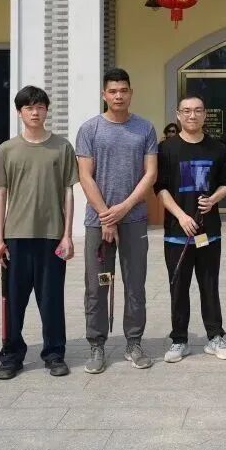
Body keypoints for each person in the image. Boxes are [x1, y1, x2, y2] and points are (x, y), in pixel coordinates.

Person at [0, 86, 78, 379]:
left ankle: (54, 354)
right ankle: (11, 355)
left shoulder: (62, 147)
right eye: (29, 107)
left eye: (40, 107)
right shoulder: (7, 150)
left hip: (51, 235)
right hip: (16, 236)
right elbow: (1, 194)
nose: (35, 112)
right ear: (19, 112)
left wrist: (67, 234)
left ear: (47, 110)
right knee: (13, 300)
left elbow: (68, 192)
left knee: (51, 299)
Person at [77, 68, 158, 373]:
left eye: (123, 90)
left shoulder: (145, 128)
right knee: (97, 285)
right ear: (104, 94)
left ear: (131, 93)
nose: (118, 96)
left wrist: (123, 208)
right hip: (98, 222)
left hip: (134, 218)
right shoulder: (90, 129)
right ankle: (96, 345)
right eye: (112, 91)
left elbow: (150, 174)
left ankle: (133, 343)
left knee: (135, 284)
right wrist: (106, 216)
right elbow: (85, 176)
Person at [155, 94, 226, 363]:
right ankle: (179, 340)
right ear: (178, 115)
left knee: (209, 284)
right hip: (177, 233)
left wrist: (213, 199)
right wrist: (180, 216)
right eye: (187, 111)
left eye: (198, 110)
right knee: (178, 287)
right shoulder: (166, 149)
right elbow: (160, 188)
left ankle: (215, 336)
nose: (192, 115)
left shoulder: (217, 148)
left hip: (208, 232)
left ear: (205, 114)